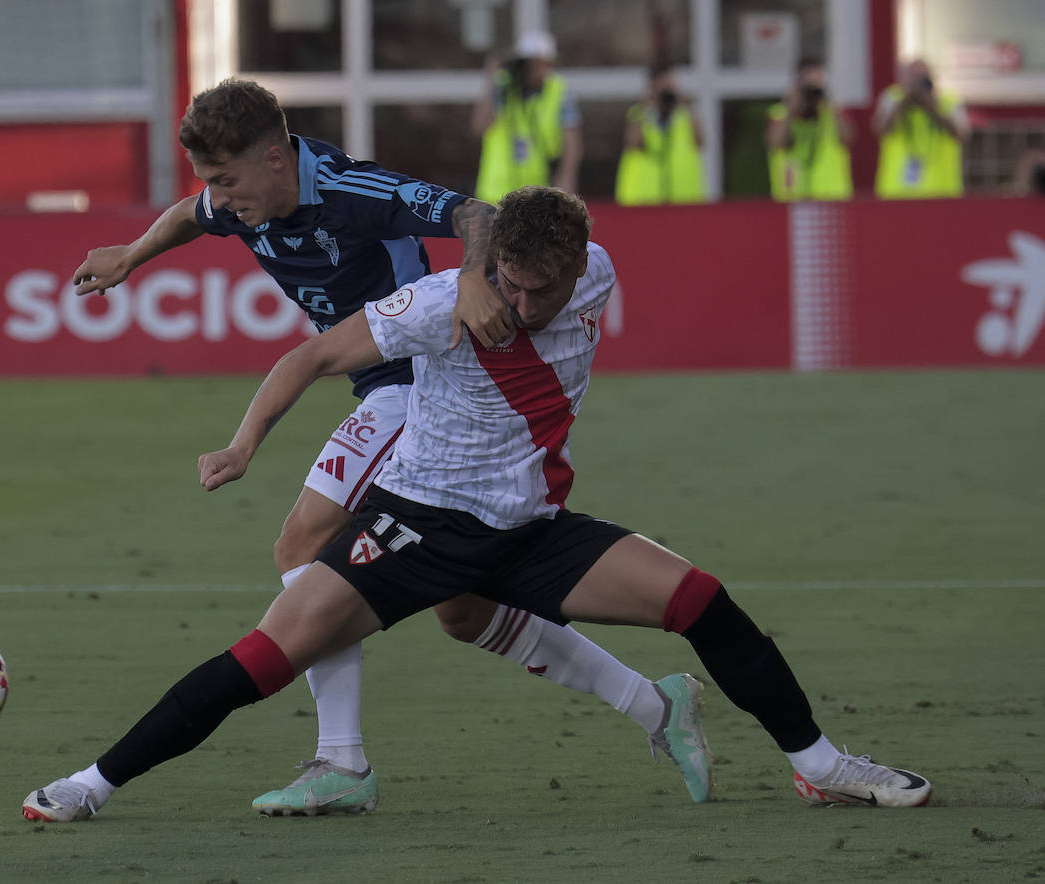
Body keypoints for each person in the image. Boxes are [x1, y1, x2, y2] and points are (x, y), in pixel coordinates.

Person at [22, 186, 932, 824]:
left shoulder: (597, 270)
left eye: (546, 288)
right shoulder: (436, 303)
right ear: (488, 264)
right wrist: (243, 444)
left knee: (701, 601)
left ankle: (821, 768)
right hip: (418, 523)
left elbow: (503, 223)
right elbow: (307, 358)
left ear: (582, 269)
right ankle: (92, 783)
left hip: (533, 527)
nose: (525, 303)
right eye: (508, 282)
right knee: (265, 654)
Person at [65, 79, 711, 817]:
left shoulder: (350, 190)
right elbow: (191, 214)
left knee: (301, 544)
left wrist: (470, 279)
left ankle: (341, 760)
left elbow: (477, 212)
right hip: (376, 390)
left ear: (276, 159)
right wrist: (132, 255)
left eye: (227, 180)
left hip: (417, 389)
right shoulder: (242, 197)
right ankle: (655, 706)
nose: (219, 196)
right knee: (463, 611)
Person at [472, 31, 582, 203]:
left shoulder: (558, 91)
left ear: (549, 64)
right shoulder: (504, 87)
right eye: (528, 63)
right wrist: (491, 80)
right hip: (495, 192)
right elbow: (480, 127)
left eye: (538, 63)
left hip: (536, 193)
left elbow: (572, 142)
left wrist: (566, 178)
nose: (533, 69)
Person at [873, 59, 970, 199]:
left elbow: (961, 134)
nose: (918, 84)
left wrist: (933, 107)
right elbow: (881, 129)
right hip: (898, 192)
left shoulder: (948, 101)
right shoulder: (893, 98)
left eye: (922, 78)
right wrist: (905, 102)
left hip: (941, 191)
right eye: (913, 78)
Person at [615, 62, 706, 205]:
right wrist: (648, 105)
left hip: (682, 198)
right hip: (644, 198)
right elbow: (633, 143)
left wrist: (685, 104)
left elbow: (701, 142)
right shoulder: (640, 113)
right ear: (652, 86)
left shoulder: (685, 115)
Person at [766, 58, 854, 201]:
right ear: (796, 83)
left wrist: (830, 105)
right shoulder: (780, 113)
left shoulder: (831, 113)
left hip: (831, 198)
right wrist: (790, 109)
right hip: (792, 198)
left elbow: (849, 138)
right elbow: (776, 143)